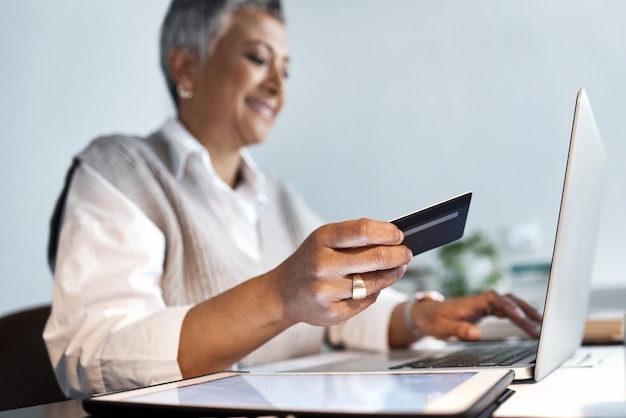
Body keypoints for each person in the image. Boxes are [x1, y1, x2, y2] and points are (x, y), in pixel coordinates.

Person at [44, 0, 542, 398]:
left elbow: (338, 308)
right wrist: (281, 295)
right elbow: (92, 357)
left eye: (285, 68)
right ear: (185, 64)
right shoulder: (121, 171)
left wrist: (417, 316)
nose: (278, 85)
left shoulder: (278, 196)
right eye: (258, 58)